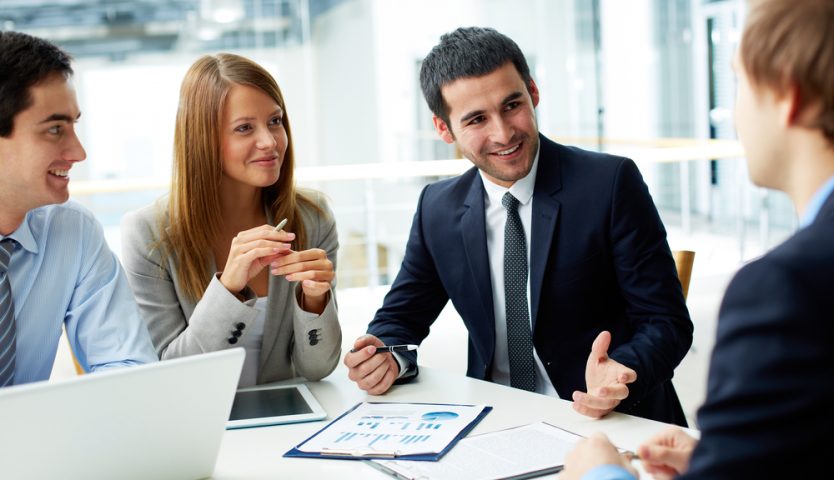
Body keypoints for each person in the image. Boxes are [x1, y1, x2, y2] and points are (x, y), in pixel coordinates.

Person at [343, 27, 693, 426]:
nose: (504, 133)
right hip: (495, 420)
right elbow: (399, 321)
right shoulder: (437, 209)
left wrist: (622, 372)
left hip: (609, 418)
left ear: (533, 92)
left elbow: (666, 322)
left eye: (512, 105)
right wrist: (386, 357)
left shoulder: (610, 184)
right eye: (476, 119)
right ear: (444, 130)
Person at [561, 0, 834, 478]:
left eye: (739, 82)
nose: (732, 113)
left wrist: (600, 472)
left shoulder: (785, 288)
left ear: (788, 94)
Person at [120, 53, 341, 386]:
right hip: (197, 425)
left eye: (275, 121)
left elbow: (318, 368)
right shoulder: (148, 234)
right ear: (203, 139)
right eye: (244, 128)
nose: (270, 142)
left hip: (288, 422)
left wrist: (315, 299)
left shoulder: (313, 218)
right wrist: (228, 289)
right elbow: (168, 374)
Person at [0, 31, 157, 386]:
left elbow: (128, 366)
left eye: (73, 125)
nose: (78, 153)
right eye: (55, 129)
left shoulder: (72, 230)